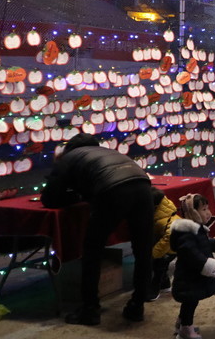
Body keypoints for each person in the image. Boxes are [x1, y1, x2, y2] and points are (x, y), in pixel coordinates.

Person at [40, 133, 154, 325]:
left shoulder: (69, 158)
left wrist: (76, 197)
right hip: (143, 187)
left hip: (112, 190)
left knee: (92, 251)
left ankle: (90, 309)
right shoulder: (109, 151)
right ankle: (137, 306)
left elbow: (50, 198)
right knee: (143, 250)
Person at [169, 194, 215, 339]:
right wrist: (209, 265)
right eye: (203, 209)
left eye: (207, 208)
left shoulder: (197, 229)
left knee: (190, 301)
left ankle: (181, 323)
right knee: (190, 301)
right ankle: (186, 328)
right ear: (192, 213)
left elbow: (201, 245)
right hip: (189, 277)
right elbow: (191, 253)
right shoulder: (187, 233)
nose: (208, 212)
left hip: (193, 275)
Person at [150, 187, 181, 300]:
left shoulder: (167, 219)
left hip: (171, 248)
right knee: (161, 266)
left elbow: (168, 239)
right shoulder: (163, 213)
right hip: (168, 246)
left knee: (159, 266)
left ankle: (155, 289)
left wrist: (154, 254)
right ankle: (165, 284)